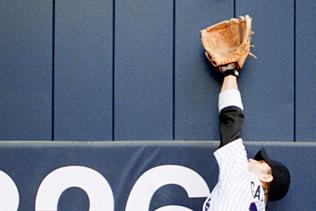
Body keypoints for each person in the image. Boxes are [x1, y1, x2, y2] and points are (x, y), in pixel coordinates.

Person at [202, 64, 291, 211]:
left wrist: (230, 72)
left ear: (266, 177)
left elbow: (231, 120)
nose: (251, 160)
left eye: (261, 162)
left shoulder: (243, 179)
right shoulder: (259, 205)